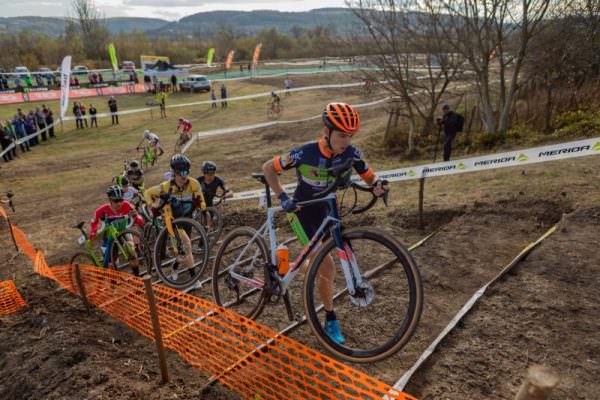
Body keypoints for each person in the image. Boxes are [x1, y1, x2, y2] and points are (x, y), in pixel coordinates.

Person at [261, 102, 389, 344]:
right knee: (328, 266)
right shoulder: (305, 153)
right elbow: (268, 168)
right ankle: (330, 319)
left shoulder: (351, 153)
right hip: (301, 212)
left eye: (350, 136)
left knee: (331, 257)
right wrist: (282, 196)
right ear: (326, 132)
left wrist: (379, 185)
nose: (346, 141)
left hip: (327, 210)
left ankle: (308, 270)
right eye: (341, 135)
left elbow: (369, 176)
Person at [144, 154, 206, 274]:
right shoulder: (166, 186)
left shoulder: (194, 183)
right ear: (174, 173)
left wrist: (201, 205)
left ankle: (174, 268)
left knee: (182, 250)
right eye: (180, 173)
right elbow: (147, 193)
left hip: (188, 219)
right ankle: (194, 277)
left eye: (186, 172)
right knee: (187, 245)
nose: (184, 176)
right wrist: (151, 204)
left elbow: (202, 201)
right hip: (174, 221)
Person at [89, 185, 144, 269]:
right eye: (116, 201)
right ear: (110, 200)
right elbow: (93, 222)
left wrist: (136, 217)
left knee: (132, 254)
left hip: (123, 233)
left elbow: (139, 220)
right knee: (112, 264)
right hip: (109, 237)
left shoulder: (127, 205)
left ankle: (138, 277)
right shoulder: (102, 210)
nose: (119, 203)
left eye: (121, 200)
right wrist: (93, 232)